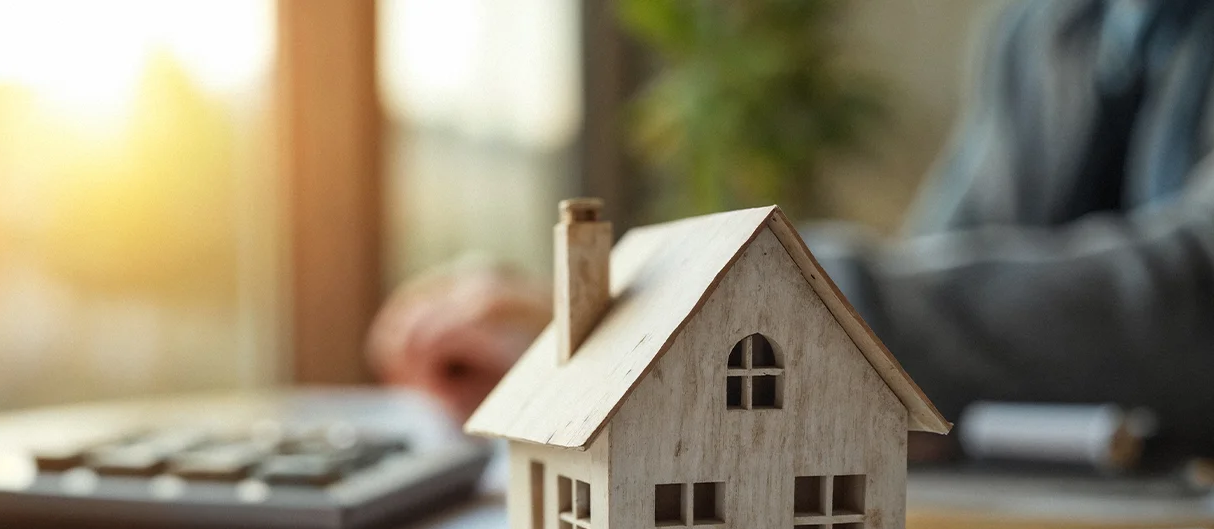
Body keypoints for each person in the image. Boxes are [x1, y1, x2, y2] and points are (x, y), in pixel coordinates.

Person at [367, 0, 1214, 455]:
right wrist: (620, 322)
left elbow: (1196, 296)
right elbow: (944, 288)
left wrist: (655, 315)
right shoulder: (1050, 26)